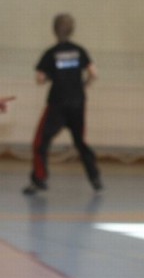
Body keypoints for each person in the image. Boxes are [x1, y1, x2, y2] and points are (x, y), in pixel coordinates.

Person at [23, 13, 102, 195]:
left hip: (57, 104)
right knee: (80, 142)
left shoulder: (51, 53)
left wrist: (51, 76)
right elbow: (94, 73)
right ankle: (95, 178)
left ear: (54, 30)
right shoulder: (79, 51)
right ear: (72, 30)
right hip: (77, 103)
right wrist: (85, 85)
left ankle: (39, 179)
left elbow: (40, 79)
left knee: (40, 142)